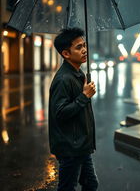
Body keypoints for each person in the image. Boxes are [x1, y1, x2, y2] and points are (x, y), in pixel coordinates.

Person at [48, 27, 98, 191]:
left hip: (80, 144)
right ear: (66, 54)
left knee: (90, 184)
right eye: (78, 47)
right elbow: (60, 113)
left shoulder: (77, 73)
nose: (84, 50)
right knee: (67, 187)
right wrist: (84, 96)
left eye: (84, 45)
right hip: (71, 147)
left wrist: (85, 94)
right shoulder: (63, 79)